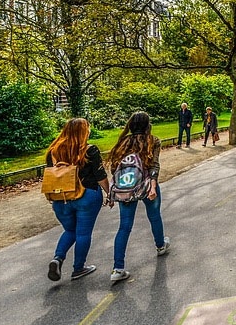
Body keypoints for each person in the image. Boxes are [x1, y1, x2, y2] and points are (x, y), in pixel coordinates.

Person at [107, 111, 170, 283]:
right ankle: (160, 245)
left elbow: (115, 168)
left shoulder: (123, 142)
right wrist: (154, 184)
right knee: (154, 216)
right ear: (147, 125)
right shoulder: (153, 141)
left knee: (124, 226)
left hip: (126, 187)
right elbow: (154, 165)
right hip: (147, 183)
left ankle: (118, 268)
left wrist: (114, 190)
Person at [45, 118, 110, 282]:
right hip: (86, 195)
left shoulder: (53, 152)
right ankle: (78, 268)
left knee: (70, 230)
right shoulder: (89, 150)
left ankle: (58, 258)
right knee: (83, 233)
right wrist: (109, 193)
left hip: (61, 198)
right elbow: (100, 176)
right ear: (84, 131)